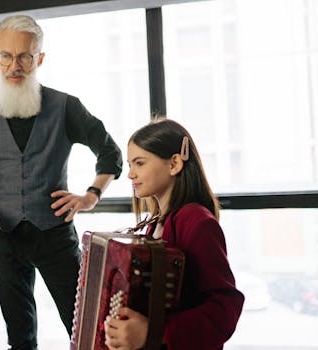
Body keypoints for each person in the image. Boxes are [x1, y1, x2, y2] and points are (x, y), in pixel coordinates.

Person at [0, 15, 123, 350]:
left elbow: (110, 152)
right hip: (2, 238)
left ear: (40, 59)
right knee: (19, 338)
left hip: (55, 236)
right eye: (6, 55)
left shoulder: (66, 107)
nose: (13, 65)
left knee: (84, 328)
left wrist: (90, 196)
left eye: (24, 57)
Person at [104, 117, 244, 350]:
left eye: (139, 163)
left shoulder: (197, 222)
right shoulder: (155, 224)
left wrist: (155, 333)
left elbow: (225, 307)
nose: (130, 174)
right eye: (129, 164)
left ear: (174, 164)